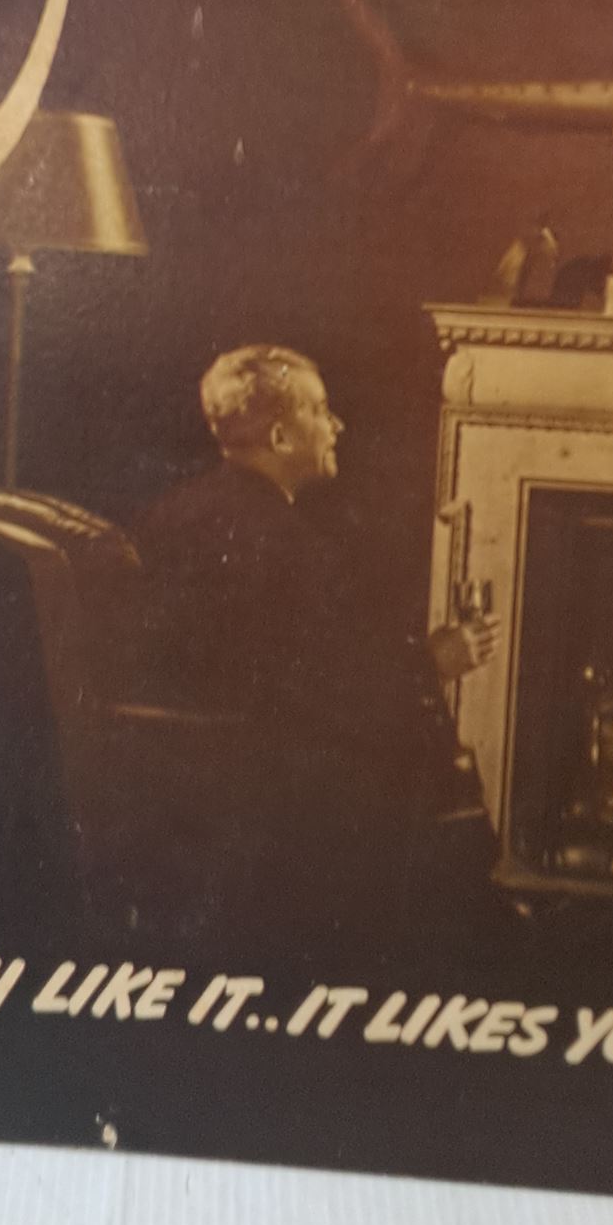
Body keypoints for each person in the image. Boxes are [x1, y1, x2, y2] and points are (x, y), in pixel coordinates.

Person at [131, 344, 499, 947]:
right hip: (269, 795)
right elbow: (319, 691)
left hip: (194, 781)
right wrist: (432, 662)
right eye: (320, 410)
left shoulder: (171, 513)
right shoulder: (280, 542)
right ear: (280, 437)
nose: (338, 426)